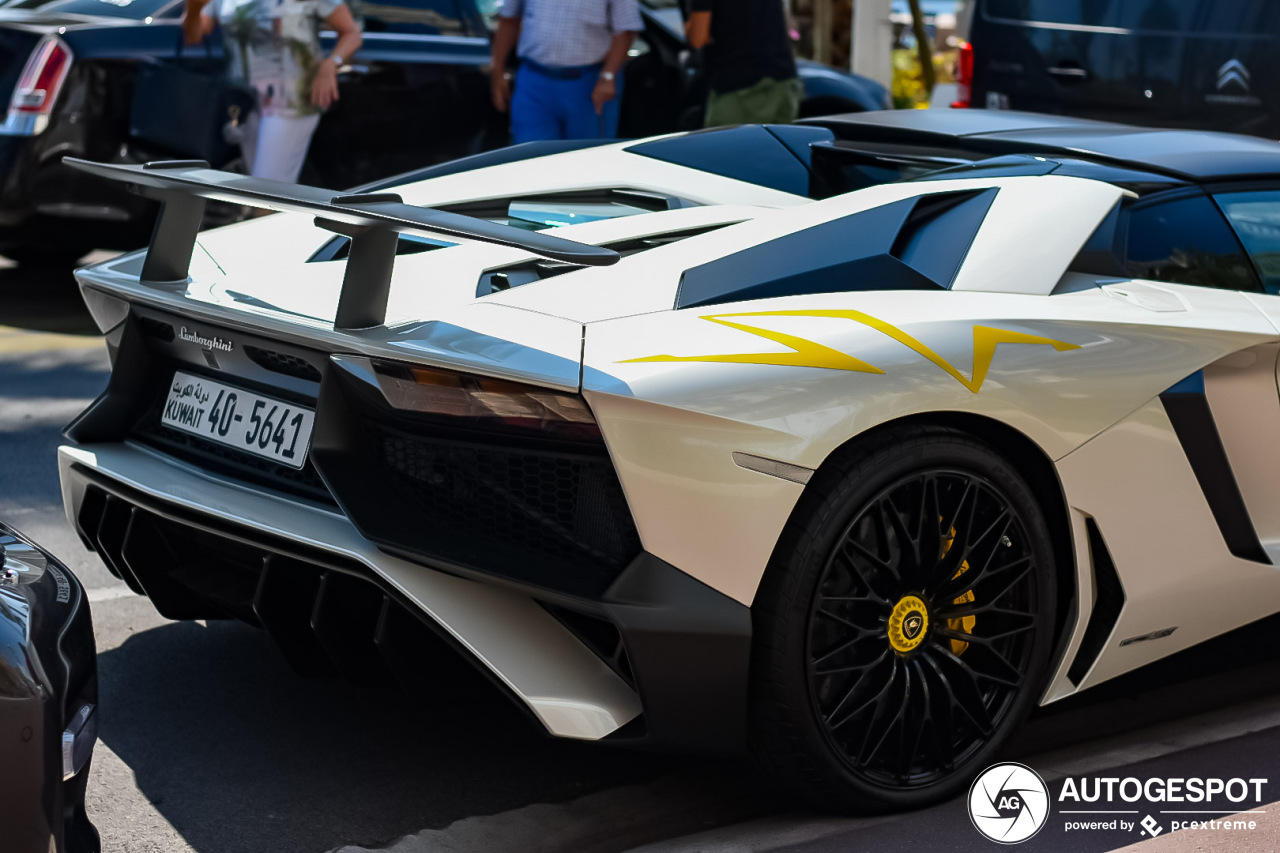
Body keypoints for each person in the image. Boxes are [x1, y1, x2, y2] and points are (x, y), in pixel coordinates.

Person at [183, 0, 363, 183]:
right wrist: (194, 7)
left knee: (265, 190)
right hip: (243, 103)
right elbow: (193, 36)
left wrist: (331, 64)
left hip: (292, 100)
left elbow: (352, 33)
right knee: (257, 188)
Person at [490, 0, 642, 143]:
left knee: (588, 156)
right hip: (534, 80)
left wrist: (608, 76)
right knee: (529, 154)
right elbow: (509, 19)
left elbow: (626, 29)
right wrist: (498, 72)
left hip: (588, 82)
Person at [684, 0, 803, 127]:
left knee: (725, 146)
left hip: (739, 88)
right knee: (774, 146)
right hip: (784, 80)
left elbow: (698, 38)